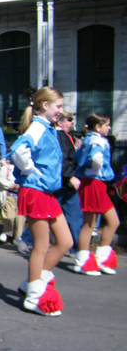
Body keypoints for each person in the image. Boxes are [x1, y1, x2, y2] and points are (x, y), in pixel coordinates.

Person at [8, 87, 72, 316]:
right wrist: (32, 172)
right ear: (45, 105)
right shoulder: (37, 127)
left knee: (65, 241)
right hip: (36, 191)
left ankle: (32, 283)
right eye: (58, 107)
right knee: (42, 246)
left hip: (47, 192)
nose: (61, 112)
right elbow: (18, 151)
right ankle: (34, 297)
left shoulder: (47, 127)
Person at [73, 113, 120, 276]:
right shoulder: (97, 140)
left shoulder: (88, 139)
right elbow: (96, 158)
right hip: (93, 182)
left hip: (95, 183)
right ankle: (83, 262)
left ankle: (100, 259)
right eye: (107, 125)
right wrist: (98, 165)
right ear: (98, 127)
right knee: (89, 224)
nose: (109, 128)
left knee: (113, 221)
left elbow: (78, 156)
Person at [54, 112, 83, 254]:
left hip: (67, 183)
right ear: (60, 122)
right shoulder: (60, 137)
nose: (72, 122)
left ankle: (76, 248)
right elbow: (63, 159)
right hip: (63, 182)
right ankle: (26, 238)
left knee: (73, 215)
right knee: (53, 213)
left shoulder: (67, 137)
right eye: (69, 120)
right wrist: (70, 176)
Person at [0, 159, 26, 248]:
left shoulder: (25, 168)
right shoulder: (7, 167)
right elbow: (1, 179)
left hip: (22, 196)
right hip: (10, 195)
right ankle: (7, 232)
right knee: (9, 216)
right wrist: (11, 185)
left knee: (20, 218)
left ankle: (18, 236)